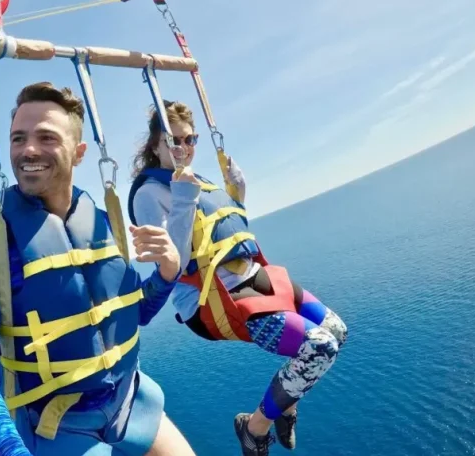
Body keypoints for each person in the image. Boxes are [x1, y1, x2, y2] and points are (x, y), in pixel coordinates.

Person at [0, 82, 197, 456]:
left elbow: (134, 313)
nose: (28, 150)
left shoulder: (100, 223)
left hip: (131, 404)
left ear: (79, 152)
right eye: (18, 139)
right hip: (59, 428)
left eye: (46, 137)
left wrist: (167, 274)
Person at [126, 100, 348, 456]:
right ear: (155, 146)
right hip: (213, 300)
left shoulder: (199, 182)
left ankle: (286, 403)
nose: (184, 148)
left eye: (190, 139)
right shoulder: (150, 194)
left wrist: (237, 197)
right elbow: (176, 264)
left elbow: (228, 234)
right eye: (175, 141)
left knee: (337, 330)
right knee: (320, 347)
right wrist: (183, 198)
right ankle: (254, 427)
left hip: (254, 276)